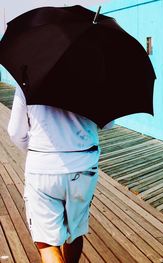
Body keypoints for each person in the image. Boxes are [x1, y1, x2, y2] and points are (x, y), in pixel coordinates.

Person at [8, 86, 113, 263]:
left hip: (43, 168)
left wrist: (39, 153)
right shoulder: (93, 73)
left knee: (47, 243)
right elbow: (108, 124)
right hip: (84, 166)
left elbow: (16, 132)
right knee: (75, 232)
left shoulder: (28, 77)